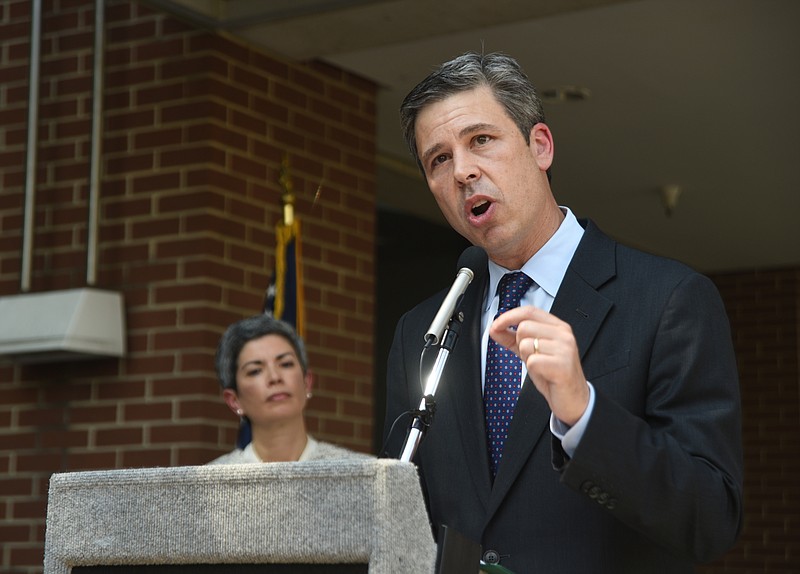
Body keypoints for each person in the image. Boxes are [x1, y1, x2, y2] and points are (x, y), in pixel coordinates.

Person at [383, 51, 743, 573]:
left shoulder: (670, 300)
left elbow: (711, 519)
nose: (462, 171)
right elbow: (404, 514)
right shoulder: (424, 330)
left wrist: (585, 416)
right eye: (438, 159)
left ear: (540, 146)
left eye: (480, 140)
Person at [209, 314, 371, 464]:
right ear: (234, 400)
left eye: (286, 364)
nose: (275, 377)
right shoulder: (207, 484)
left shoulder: (363, 473)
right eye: (255, 370)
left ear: (307, 382)